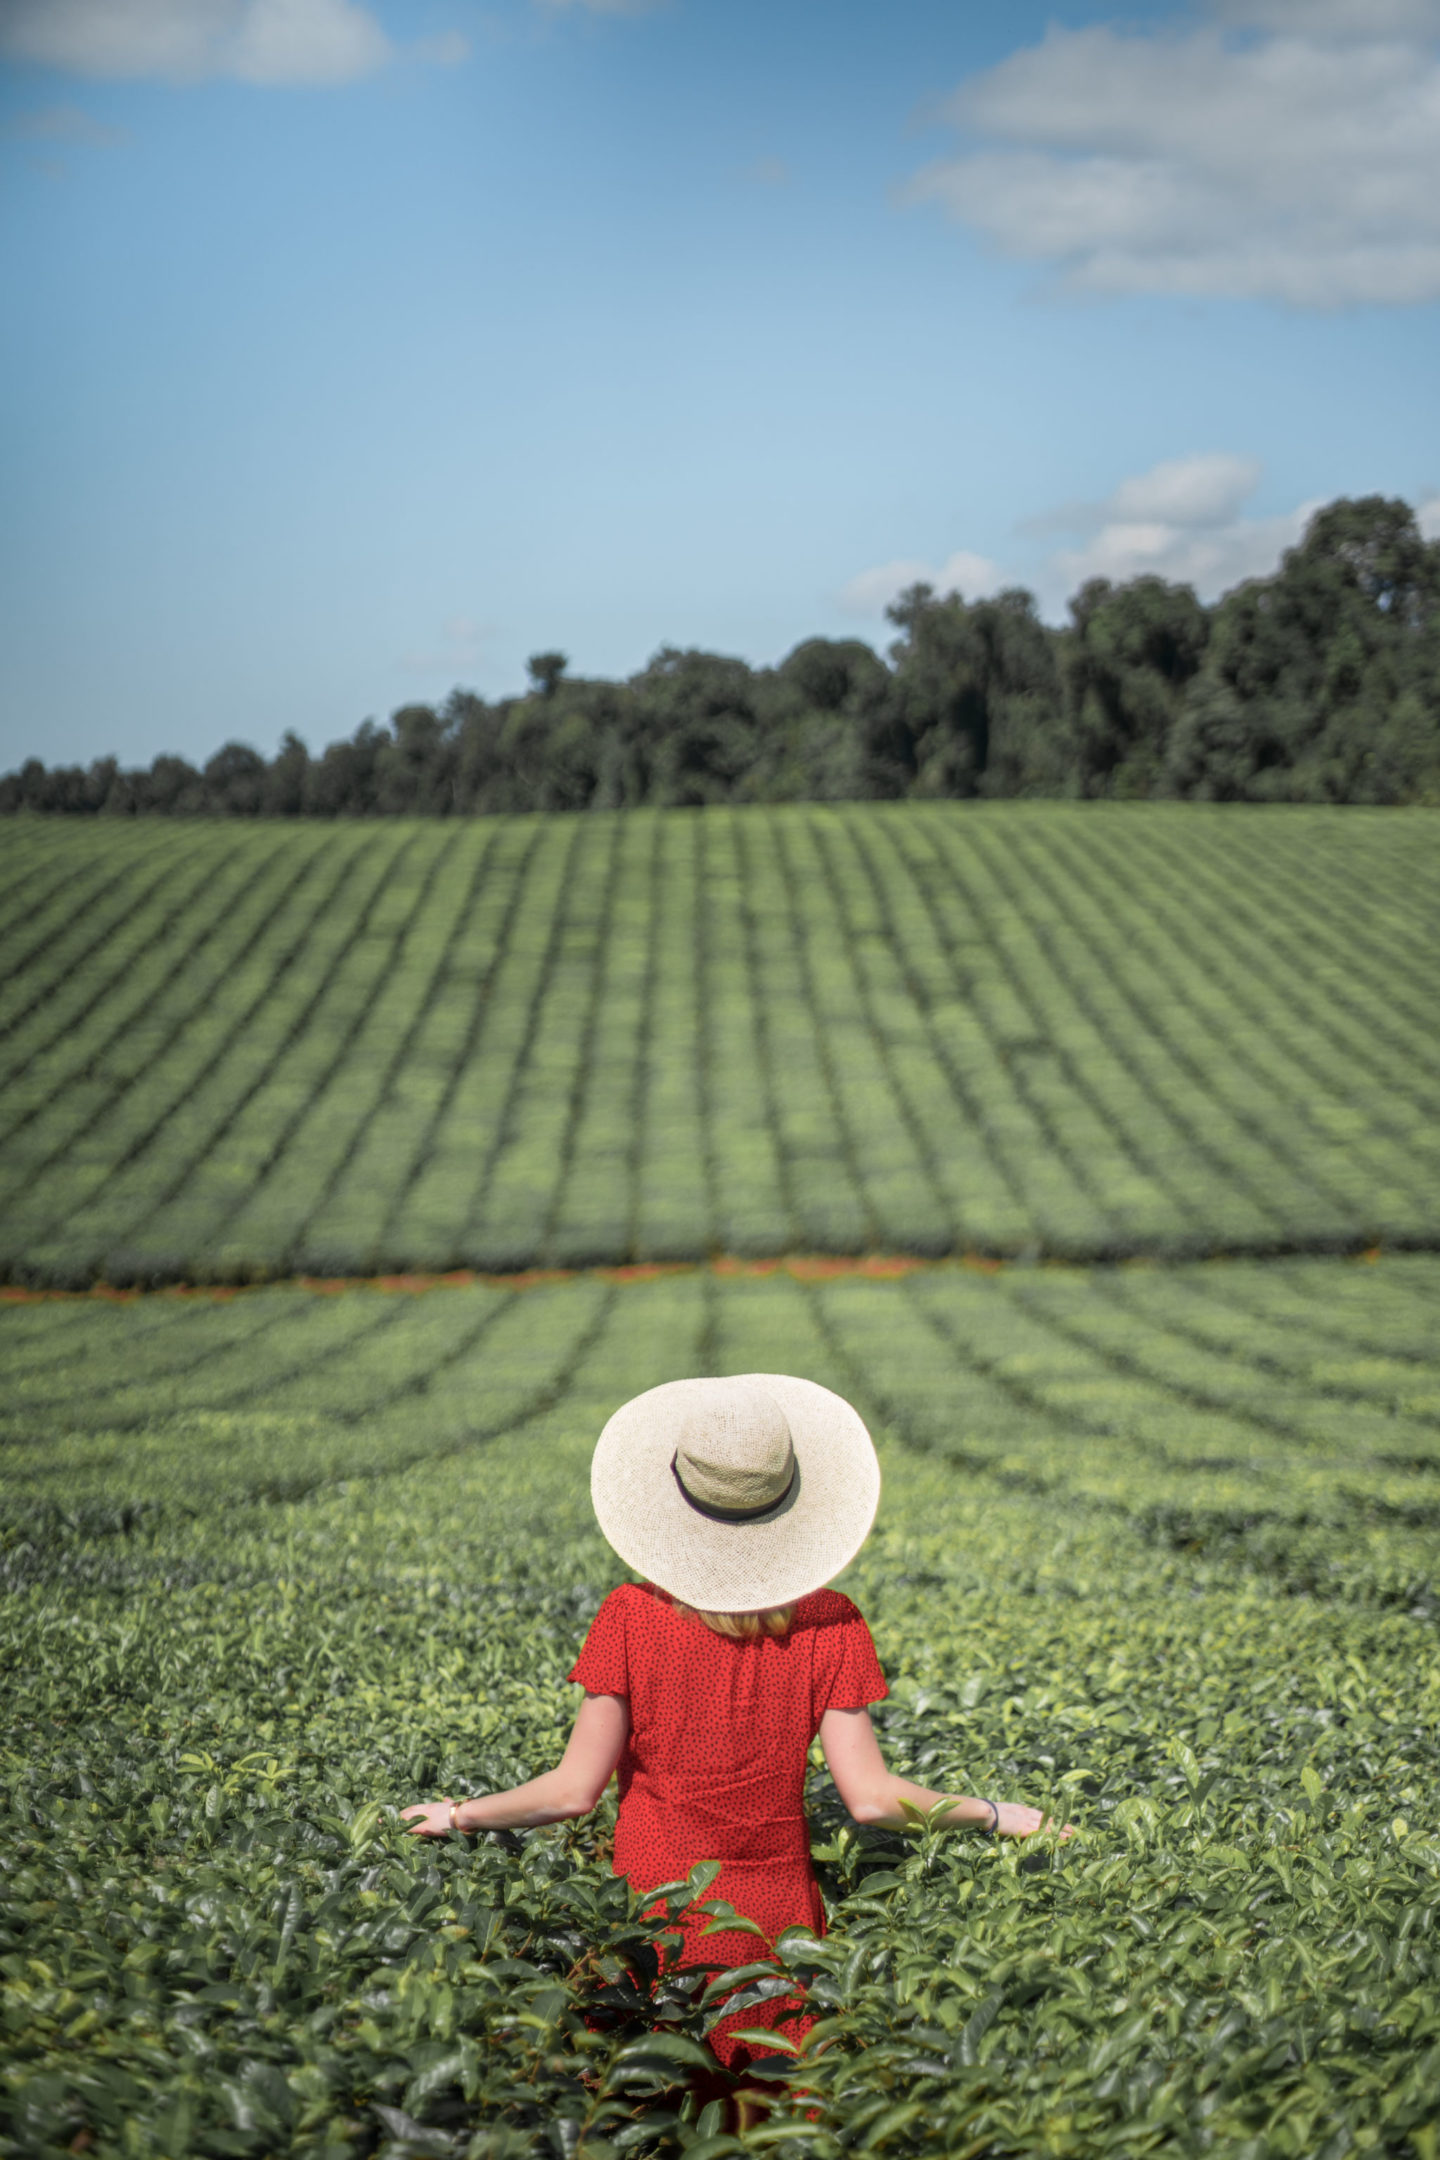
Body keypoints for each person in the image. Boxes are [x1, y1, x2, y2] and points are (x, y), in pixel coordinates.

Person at [403, 1375, 1066, 2083]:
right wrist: (998, 1815)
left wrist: (459, 1814)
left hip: (652, 1910)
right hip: (774, 1921)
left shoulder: (630, 1617)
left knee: (643, 2099)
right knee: (769, 2101)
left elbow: (572, 1792)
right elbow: (871, 1799)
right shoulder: (831, 1624)